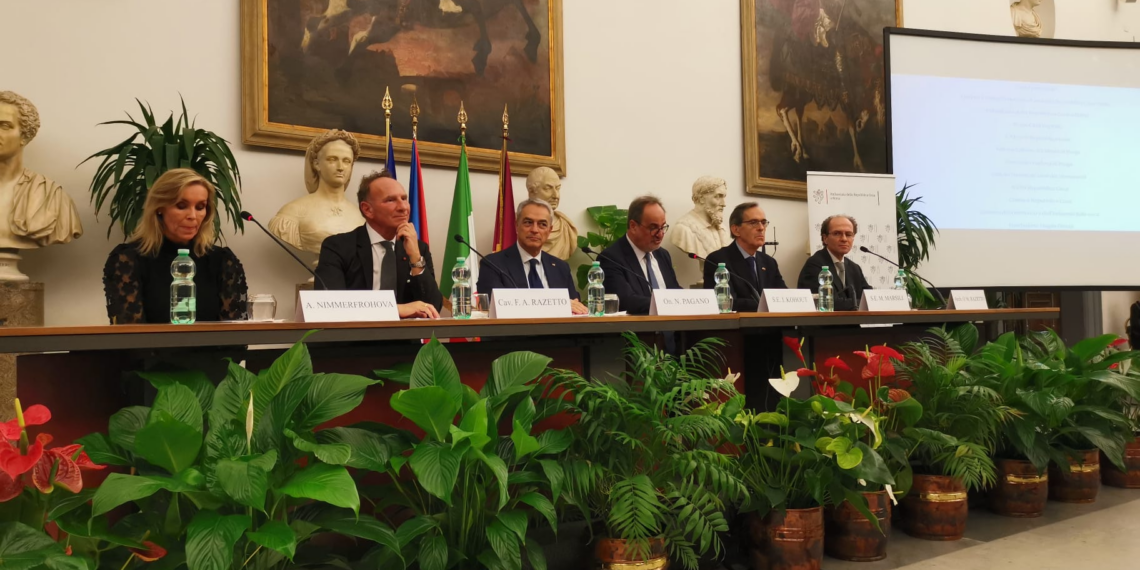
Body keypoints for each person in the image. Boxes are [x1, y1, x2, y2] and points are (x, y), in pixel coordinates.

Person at [102, 169, 247, 324]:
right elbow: (130, 337)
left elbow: (234, 335)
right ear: (159, 208)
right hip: (152, 348)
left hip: (213, 348)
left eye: (200, 207)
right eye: (181, 206)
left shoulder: (222, 261)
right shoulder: (128, 260)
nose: (192, 216)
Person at [315, 170, 442, 319]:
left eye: (404, 198)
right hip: (353, 339)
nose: (403, 207)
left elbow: (433, 307)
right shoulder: (338, 247)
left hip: (403, 341)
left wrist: (415, 257)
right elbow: (330, 304)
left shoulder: (418, 249)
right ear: (367, 209)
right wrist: (396, 310)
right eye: (391, 200)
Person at [476, 199, 588, 314]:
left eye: (542, 224)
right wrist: (560, 304)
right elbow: (496, 307)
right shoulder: (493, 264)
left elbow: (575, 306)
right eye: (528, 222)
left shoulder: (560, 267)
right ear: (516, 226)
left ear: (549, 231)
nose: (535, 230)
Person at [599, 195, 681, 315]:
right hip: (640, 332)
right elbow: (625, 300)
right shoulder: (611, 258)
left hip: (674, 331)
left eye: (663, 227)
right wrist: (666, 304)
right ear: (633, 226)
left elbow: (674, 291)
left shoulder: (662, 255)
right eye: (653, 228)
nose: (660, 234)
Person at [702, 202, 786, 312]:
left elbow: (783, 297)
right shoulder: (718, 261)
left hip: (770, 326)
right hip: (739, 327)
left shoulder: (769, 262)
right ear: (736, 230)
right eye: (753, 222)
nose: (761, 228)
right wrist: (767, 304)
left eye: (763, 222)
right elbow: (727, 302)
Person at [797, 214, 871, 311]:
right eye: (837, 233)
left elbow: (869, 298)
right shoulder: (815, 264)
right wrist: (858, 303)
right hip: (826, 325)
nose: (844, 239)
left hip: (852, 324)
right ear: (825, 238)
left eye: (849, 234)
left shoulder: (854, 268)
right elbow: (829, 304)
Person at [671, 176, 731, 259]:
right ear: (701, 199)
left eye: (723, 197)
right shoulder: (683, 229)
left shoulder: (723, 229)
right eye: (717, 196)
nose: (724, 204)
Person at [525, 166, 578, 260]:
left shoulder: (565, 226)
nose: (556, 195)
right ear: (531, 191)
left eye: (557, 188)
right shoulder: (516, 225)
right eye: (548, 188)